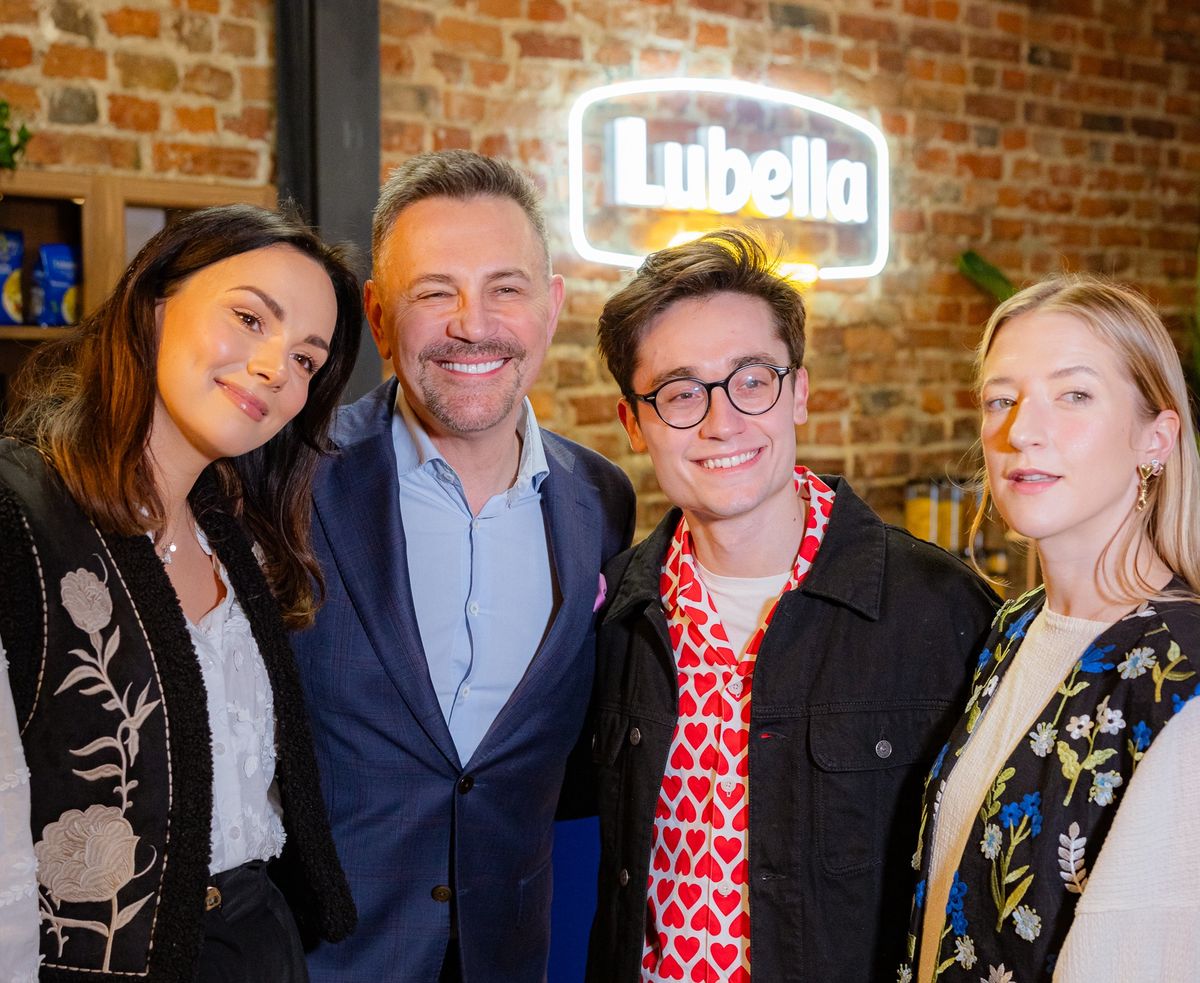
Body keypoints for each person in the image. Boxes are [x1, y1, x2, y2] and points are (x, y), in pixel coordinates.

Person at [586, 229, 998, 983]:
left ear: (799, 390)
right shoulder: (612, 617)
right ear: (634, 423)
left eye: (752, 379)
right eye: (679, 393)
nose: (721, 422)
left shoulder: (940, 611)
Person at [292, 150, 635, 983]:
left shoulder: (603, 498)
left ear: (550, 309)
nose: (472, 324)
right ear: (377, 316)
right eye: (434, 291)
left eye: (505, 288)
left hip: (510, 953)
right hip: (321, 957)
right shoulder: (291, 476)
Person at [0, 204, 361, 982]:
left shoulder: (239, 538)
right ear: (154, 300)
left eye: (307, 359)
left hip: (258, 946)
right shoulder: (19, 512)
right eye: (249, 318)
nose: (276, 368)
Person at [901, 275, 1200, 983]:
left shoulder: (1180, 676)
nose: (1020, 431)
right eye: (1000, 399)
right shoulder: (1013, 627)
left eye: (1074, 395)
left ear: (1154, 438)